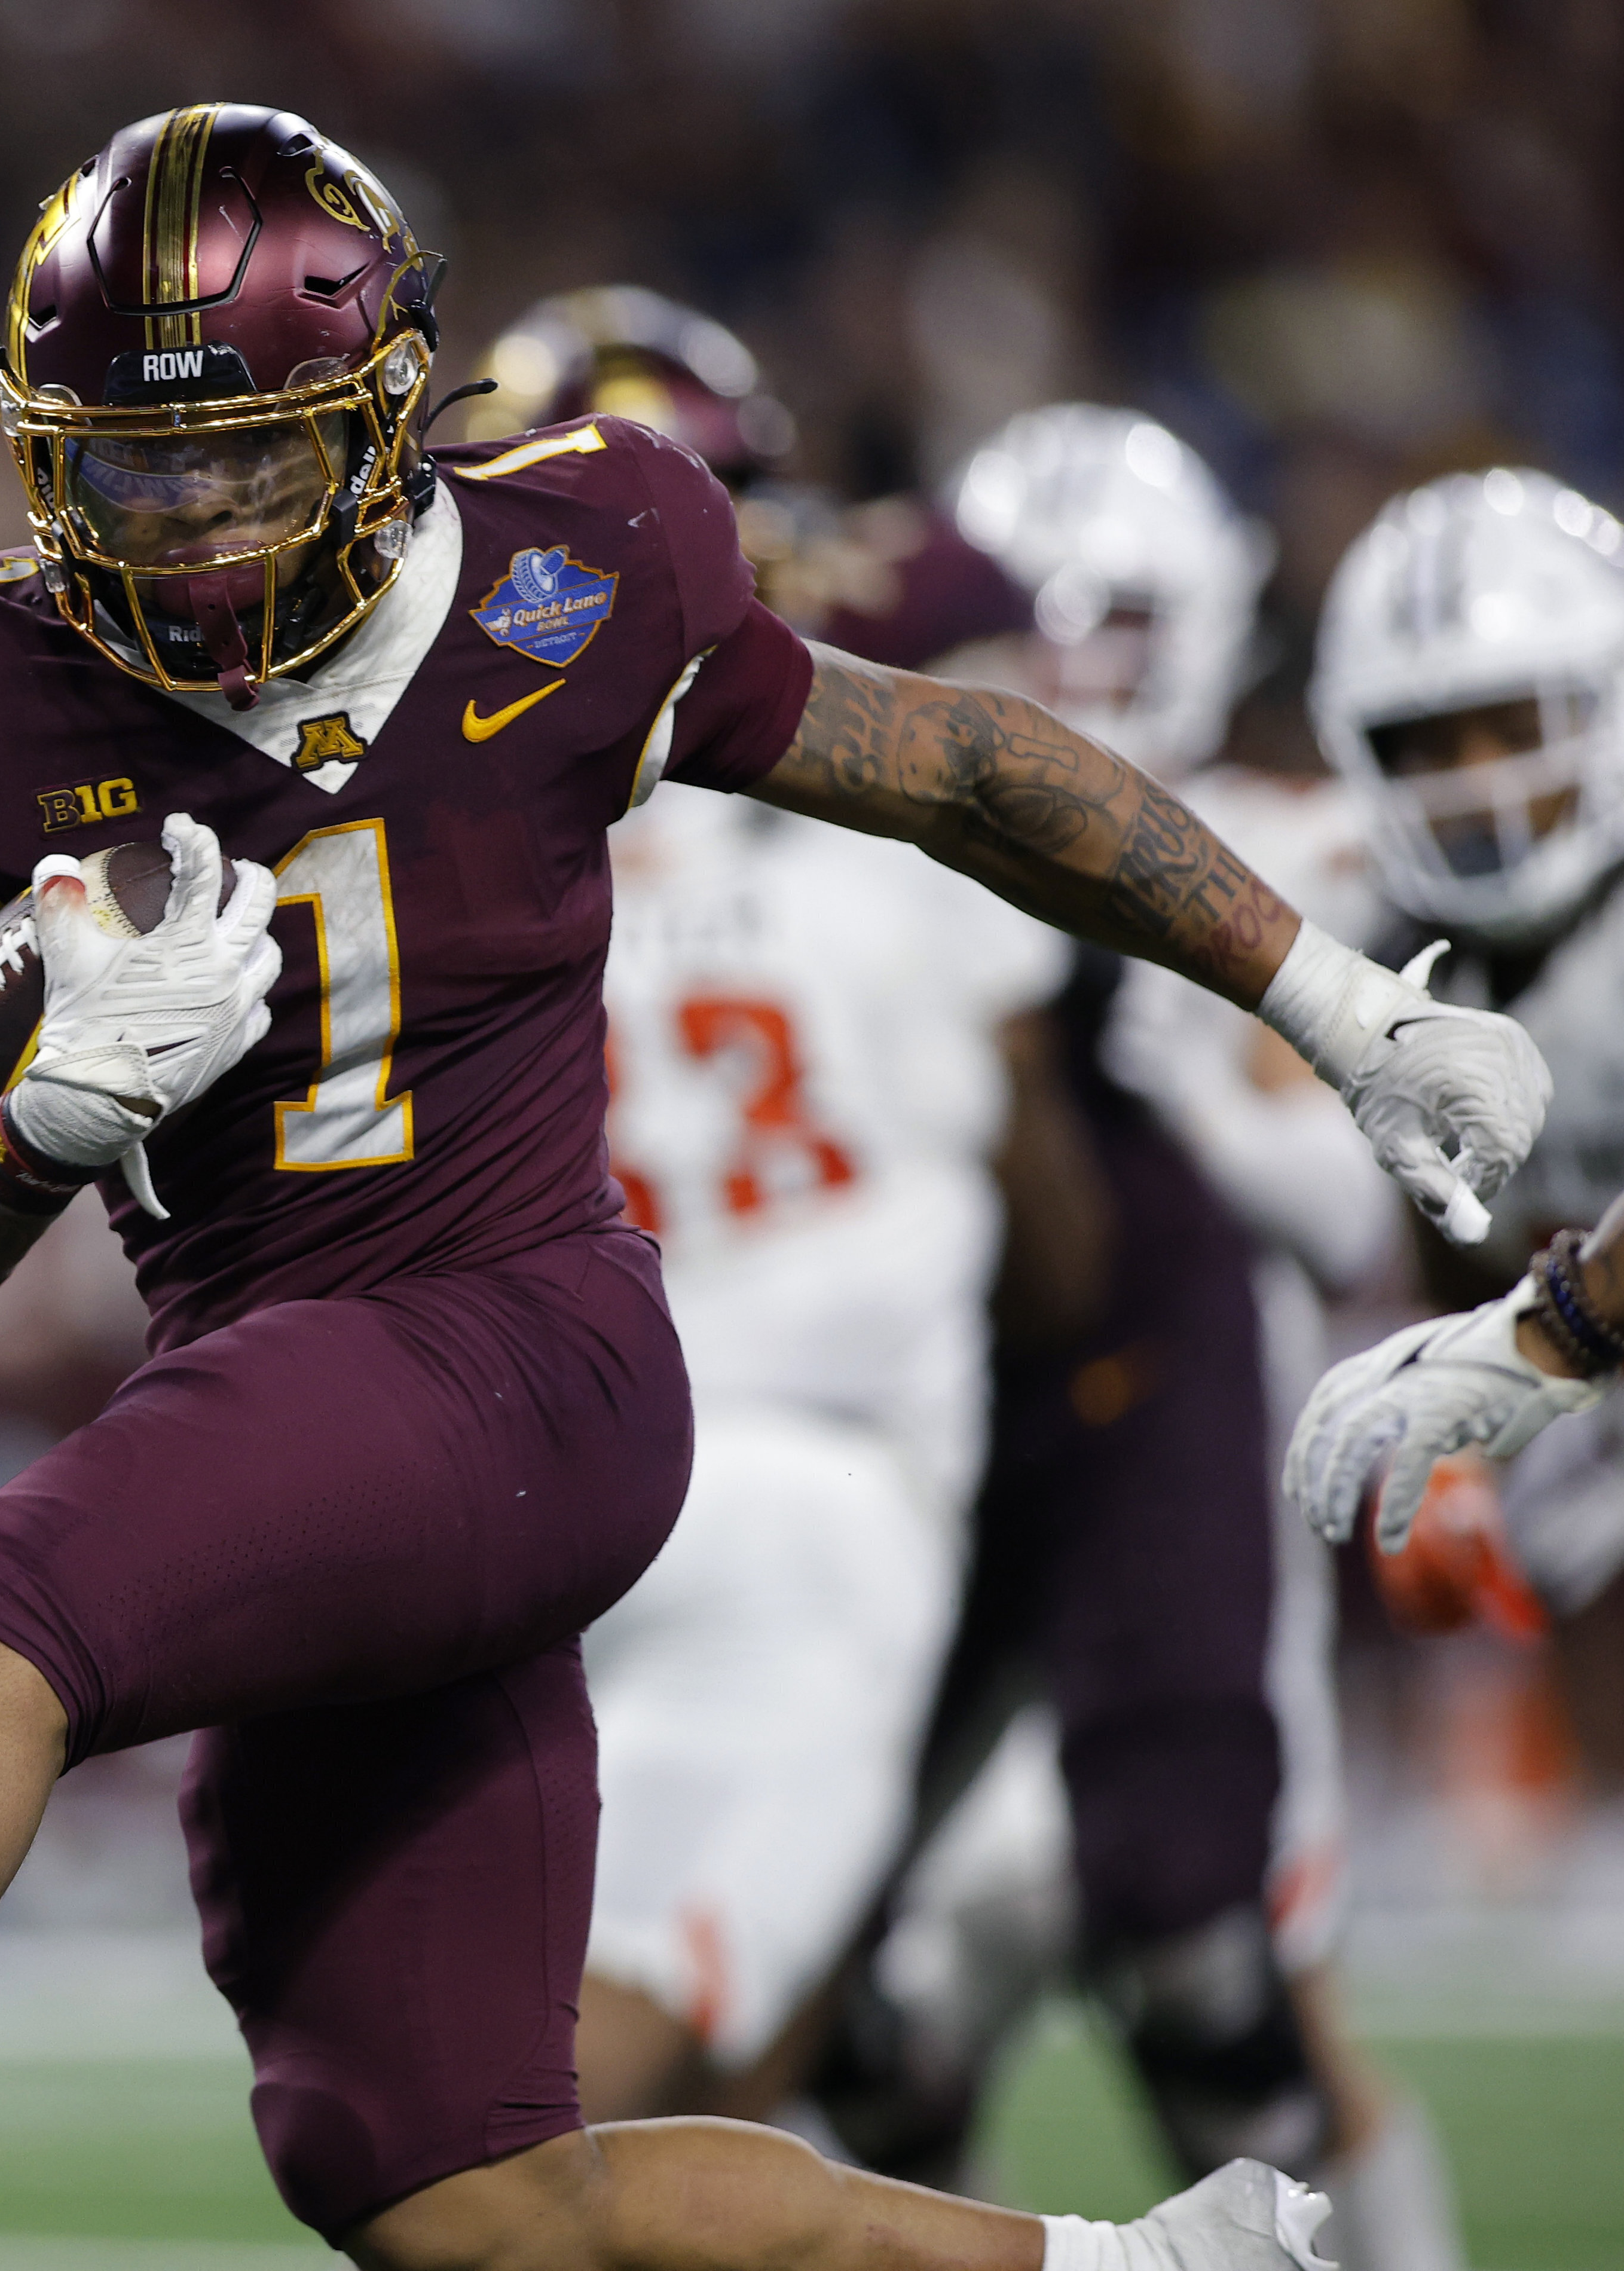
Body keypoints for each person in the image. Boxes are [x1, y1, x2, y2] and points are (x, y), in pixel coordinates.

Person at [0, 107, 1549, 2271]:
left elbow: (958, 764)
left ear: (379, 410)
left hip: (526, 1340)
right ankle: (1133, 2265)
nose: (190, 518)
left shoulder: (581, 559)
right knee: (455, 2192)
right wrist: (25, 1143)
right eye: (132, 463)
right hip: (297, 1407)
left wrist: (1337, 1001)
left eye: (246, 447)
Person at [811, 408, 1466, 2271]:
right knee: (848, 1985)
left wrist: (1149, 1038)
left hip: (1188, 1441)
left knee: (1215, 1965)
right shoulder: (868, 838)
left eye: (1118, 619)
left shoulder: (1269, 852)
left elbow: (1354, 1209)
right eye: (1039, 618)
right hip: (940, 1427)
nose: (1077, 661)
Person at [480, 291, 1089, 2131]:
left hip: (519, 1486)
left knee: (655, 2058)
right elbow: (1059, 1244)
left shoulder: (443, 834)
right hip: (818, 1490)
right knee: (613, 2086)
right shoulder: (874, 788)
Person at [1278, 467, 1624, 2090]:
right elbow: (1482, 1223)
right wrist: (1483, 1433)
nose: (1478, 780)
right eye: (1429, 743)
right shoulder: (1393, 954)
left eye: (1515, 724)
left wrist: (1559, 1333)